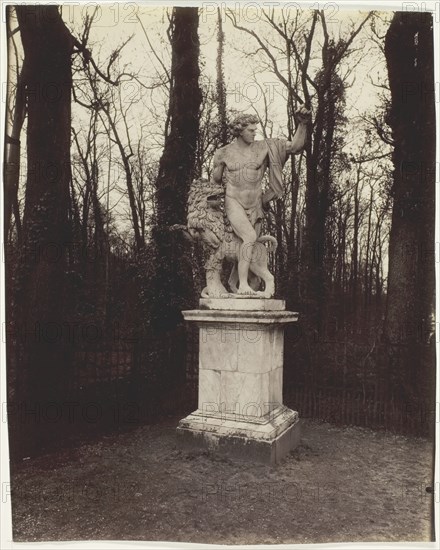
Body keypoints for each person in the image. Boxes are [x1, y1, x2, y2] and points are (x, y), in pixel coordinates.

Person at [211, 106, 311, 295]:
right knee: (249, 237)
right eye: (250, 130)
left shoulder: (264, 147)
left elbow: (296, 147)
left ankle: (234, 284)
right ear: (239, 130)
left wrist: (303, 124)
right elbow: (215, 183)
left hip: (255, 205)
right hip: (234, 202)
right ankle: (243, 285)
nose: (254, 133)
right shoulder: (223, 153)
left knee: (246, 244)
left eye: (255, 130)